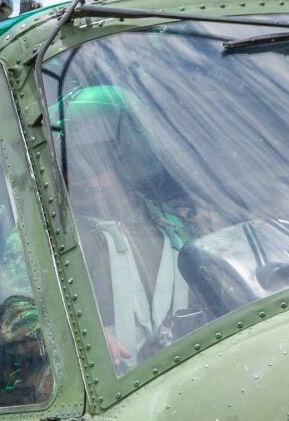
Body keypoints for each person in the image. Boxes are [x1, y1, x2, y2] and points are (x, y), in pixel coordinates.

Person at [55, 84, 196, 373]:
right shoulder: (47, 235)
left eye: (95, 164)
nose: (80, 179)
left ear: (128, 165)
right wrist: (79, 333)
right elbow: (19, 309)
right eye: (70, 164)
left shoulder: (174, 228)